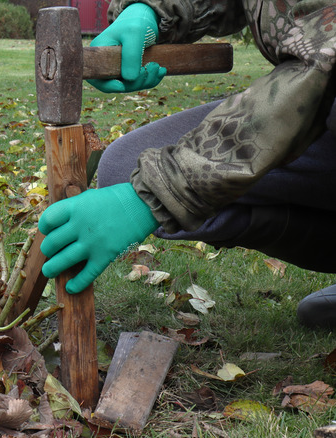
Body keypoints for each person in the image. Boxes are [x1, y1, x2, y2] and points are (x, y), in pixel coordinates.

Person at [37, 0, 336, 327]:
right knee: (124, 168)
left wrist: (156, 193)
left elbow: (324, 57)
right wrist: (152, 13)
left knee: (145, 189)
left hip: (321, 86)